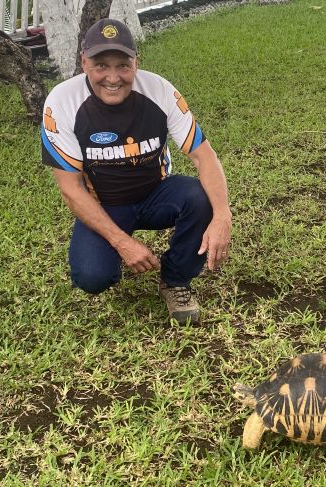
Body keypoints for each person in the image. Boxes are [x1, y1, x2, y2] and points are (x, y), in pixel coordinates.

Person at [41, 18, 232, 324]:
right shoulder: (62, 102)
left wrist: (222, 215)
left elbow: (204, 156)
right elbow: (71, 188)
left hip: (156, 194)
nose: (113, 77)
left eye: (123, 65)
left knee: (200, 197)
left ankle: (175, 279)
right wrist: (122, 243)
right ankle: (112, 253)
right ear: (84, 62)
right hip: (104, 205)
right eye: (101, 65)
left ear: (136, 63)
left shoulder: (159, 90)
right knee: (92, 277)